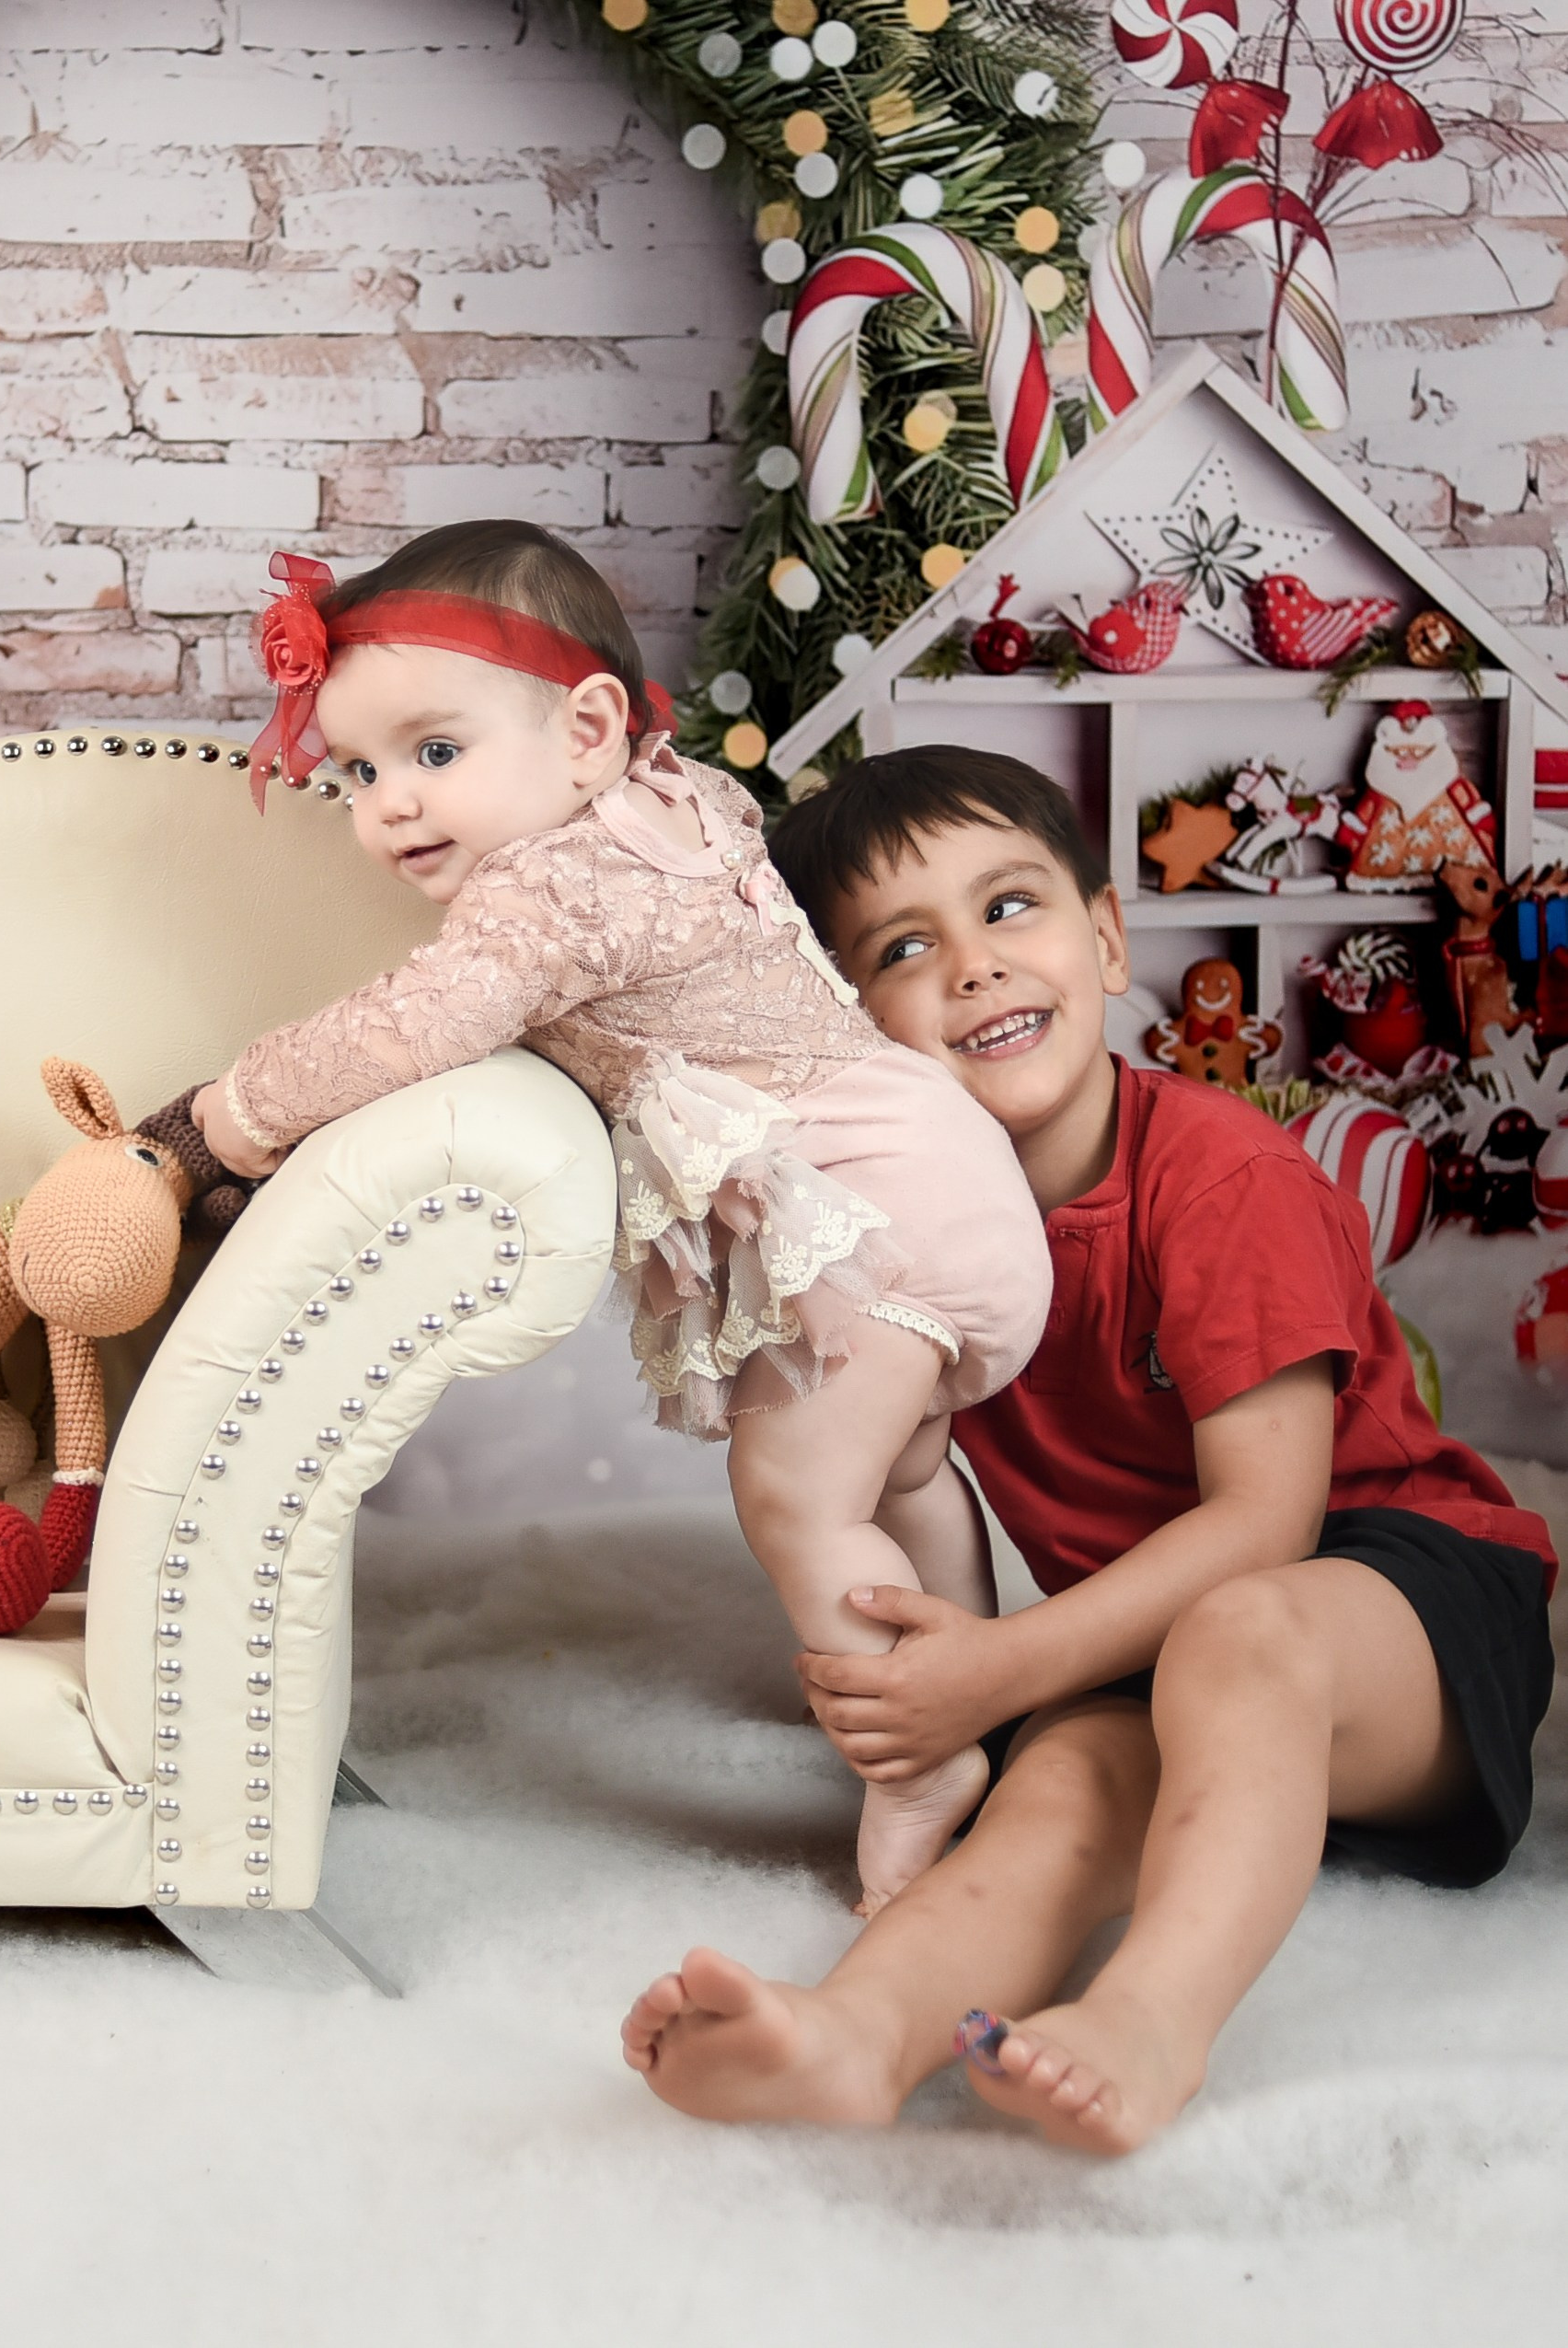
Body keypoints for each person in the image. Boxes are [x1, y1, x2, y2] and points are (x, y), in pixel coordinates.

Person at [620, 744, 1557, 2155]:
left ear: (1108, 938)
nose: (977, 967)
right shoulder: (915, 1235)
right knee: (1057, 1790)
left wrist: (1004, 1667)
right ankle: (855, 2038)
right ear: (853, 1024)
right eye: (906, 946)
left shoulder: (1222, 1176)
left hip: (1398, 1601)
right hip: (1157, 1639)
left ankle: (1150, 2023)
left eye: (1010, 908)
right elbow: (851, 1475)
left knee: (1242, 1633)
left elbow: (1266, 1527)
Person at [193, 526, 1052, 1914]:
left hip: (862, 1213)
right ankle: (975, 1688)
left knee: (795, 1496)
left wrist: (221, 1119)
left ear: (589, 729)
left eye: (432, 753)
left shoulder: (548, 887)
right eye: (354, 772)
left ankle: (923, 1763)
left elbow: (419, 1022)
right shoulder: (682, 802)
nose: (388, 809)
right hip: (942, 1170)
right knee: (899, 1472)